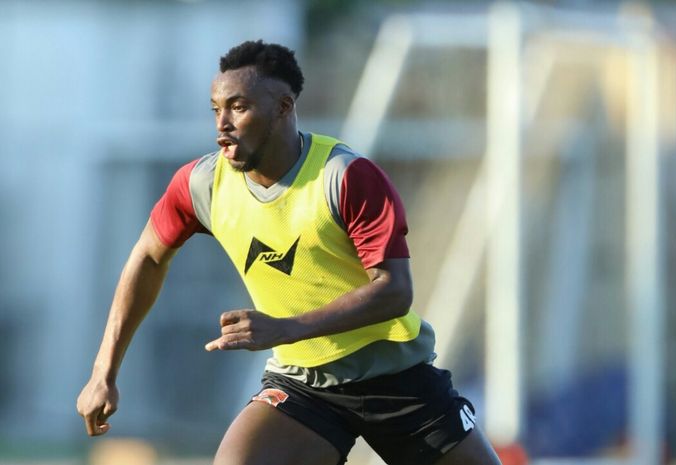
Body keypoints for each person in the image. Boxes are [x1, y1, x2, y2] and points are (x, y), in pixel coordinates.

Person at [77, 40, 503, 465]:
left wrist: (285, 328)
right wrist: (103, 372)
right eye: (216, 109)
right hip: (304, 387)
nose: (222, 124)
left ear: (283, 107)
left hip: (398, 381)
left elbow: (394, 290)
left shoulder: (345, 177)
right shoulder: (202, 184)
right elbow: (148, 256)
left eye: (238, 107)